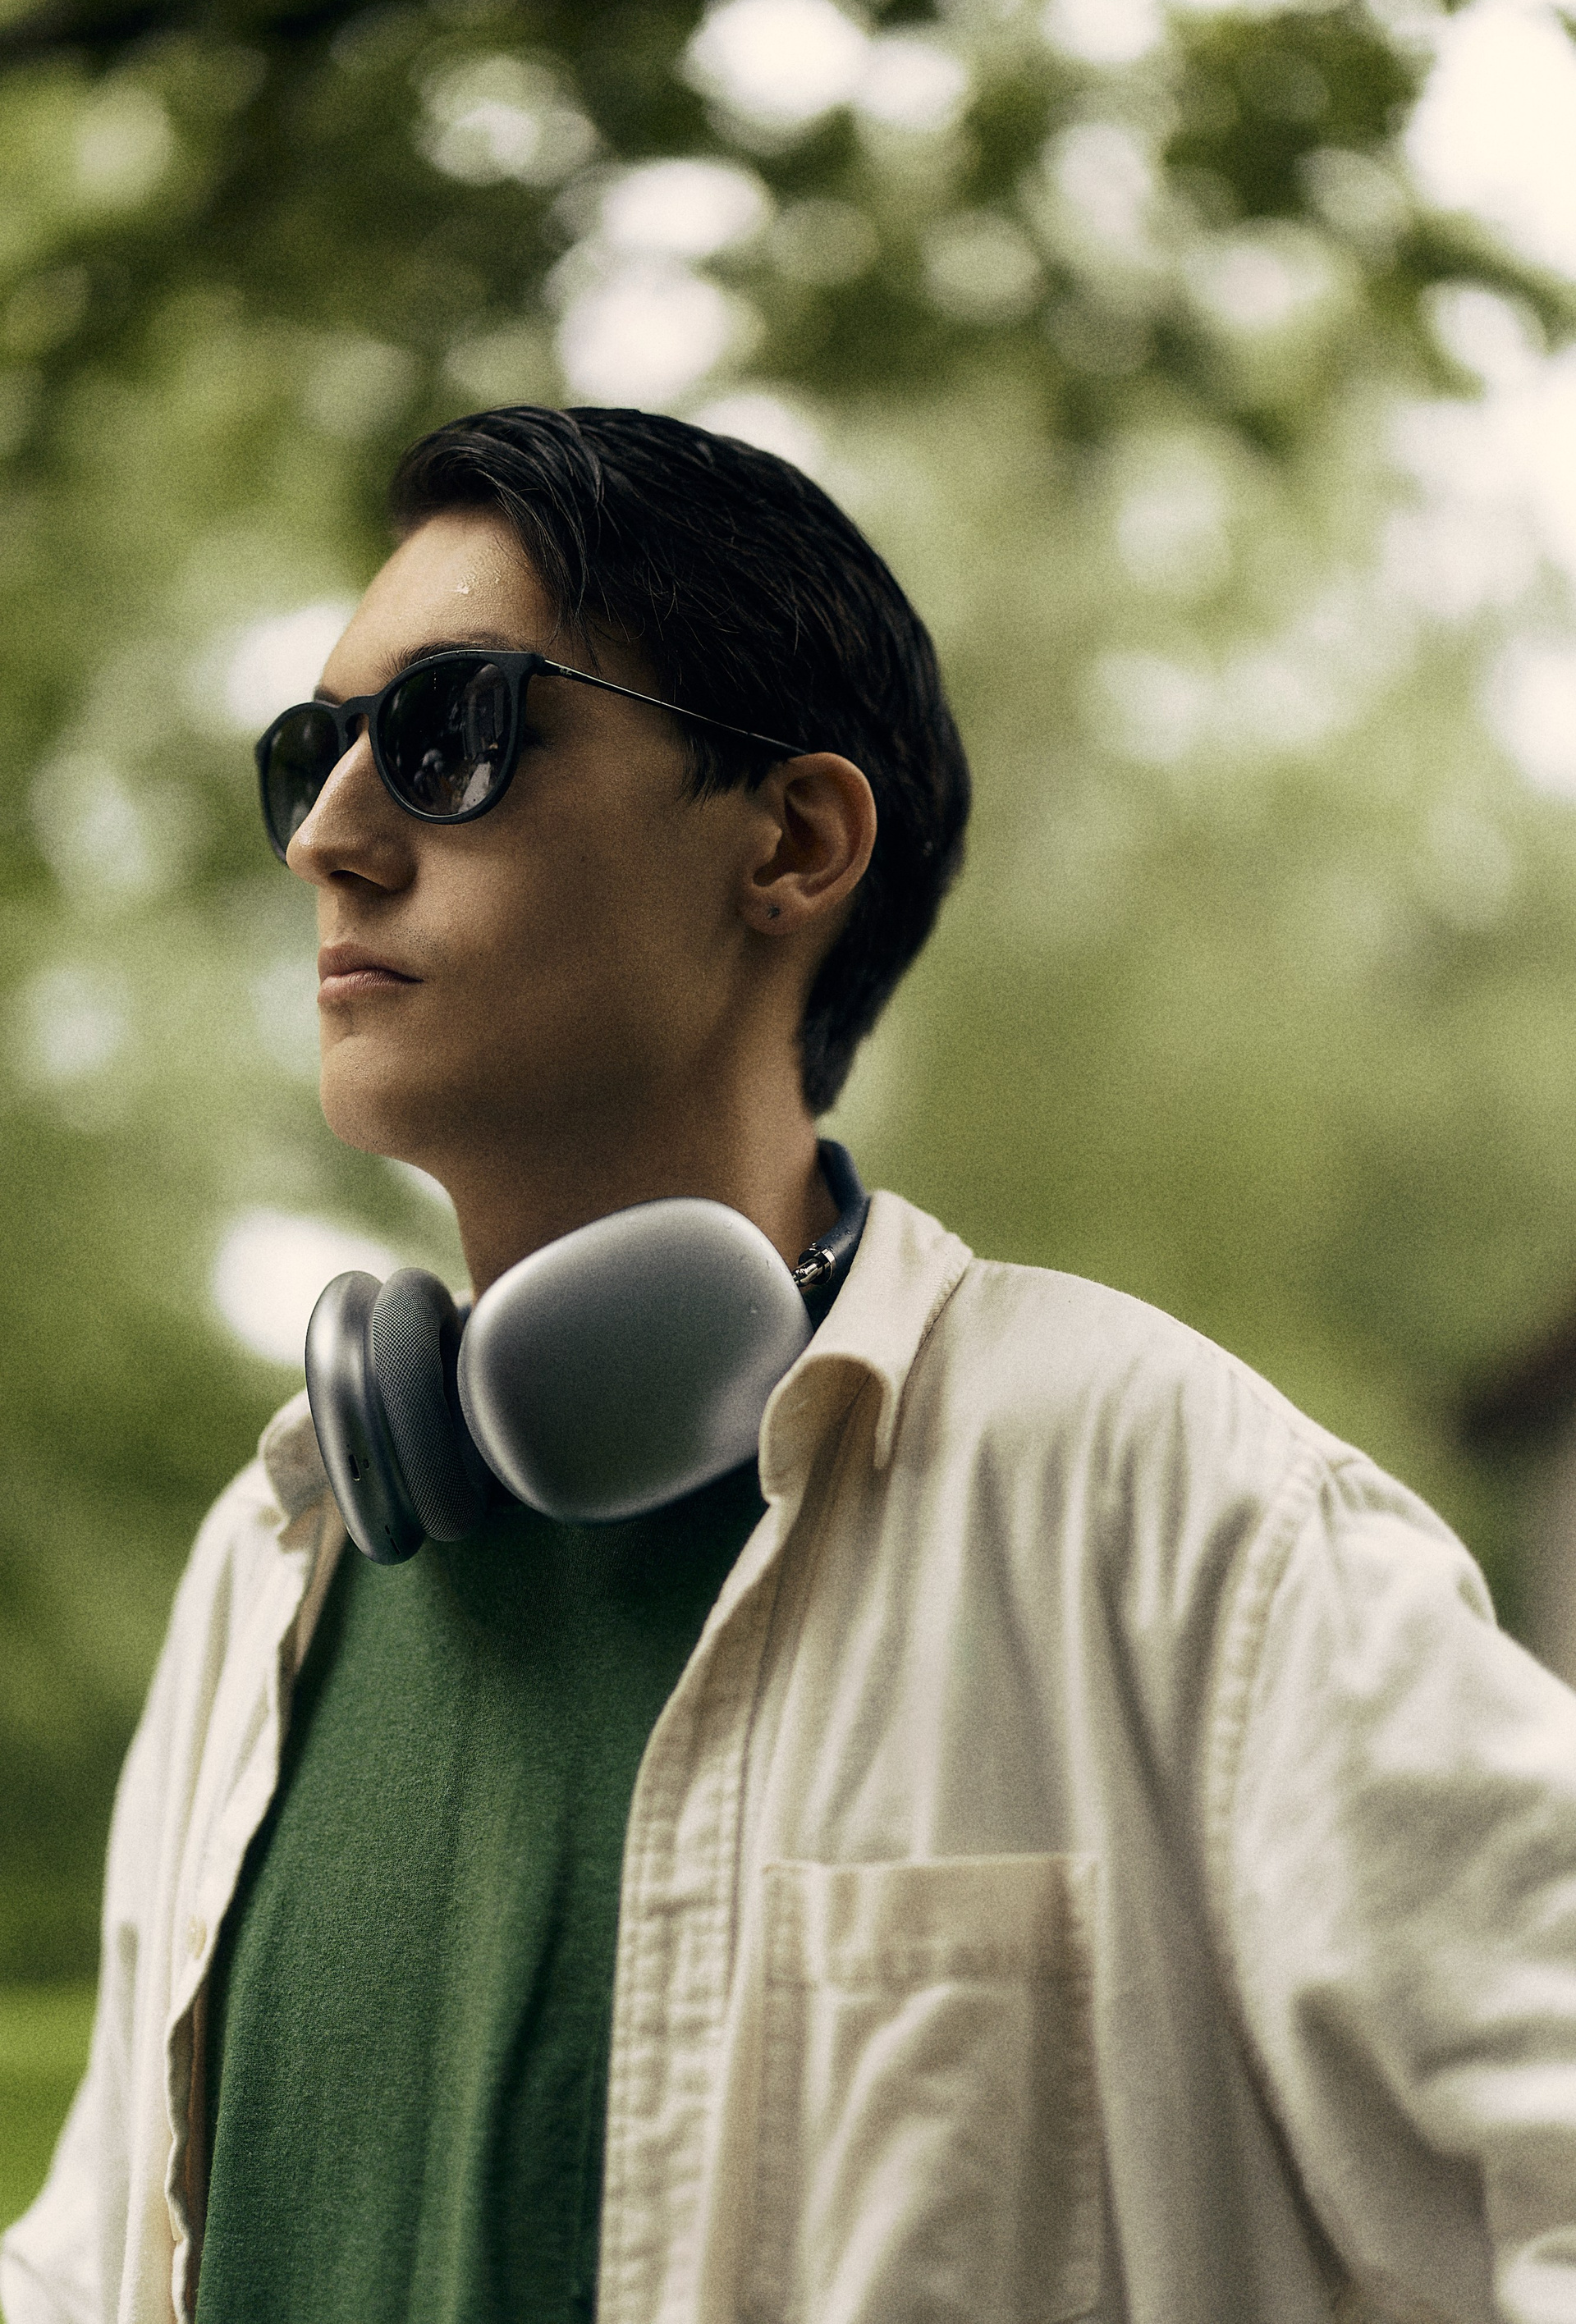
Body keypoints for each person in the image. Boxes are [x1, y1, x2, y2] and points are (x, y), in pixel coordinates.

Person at [6, 405, 1576, 2324]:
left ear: (793, 841)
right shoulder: (270, 1561)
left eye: (446, 732)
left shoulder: (1178, 1517)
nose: (330, 835)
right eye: (307, 754)